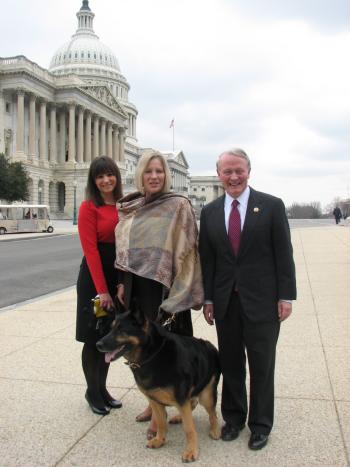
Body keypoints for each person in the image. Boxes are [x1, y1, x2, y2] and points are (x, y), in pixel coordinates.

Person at [199, 148, 296, 451]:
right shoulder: (210, 211)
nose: (233, 176)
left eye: (238, 170)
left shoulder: (271, 206)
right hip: (226, 303)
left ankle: (261, 425)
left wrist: (285, 296)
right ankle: (234, 418)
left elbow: (284, 254)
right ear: (219, 175)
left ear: (249, 171)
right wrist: (209, 299)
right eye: (227, 171)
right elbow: (208, 261)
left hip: (263, 302)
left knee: (262, 365)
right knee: (231, 364)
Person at [115, 150, 203, 439]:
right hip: (134, 287)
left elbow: (188, 247)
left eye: (160, 171)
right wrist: (121, 282)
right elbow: (124, 248)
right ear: (140, 174)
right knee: (139, 348)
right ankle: (153, 404)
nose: (154, 176)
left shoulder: (177, 204)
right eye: (149, 171)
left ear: (166, 176)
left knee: (165, 352)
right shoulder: (132, 205)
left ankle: (163, 411)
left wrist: (181, 290)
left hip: (164, 288)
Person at [76, 155, 123, 416]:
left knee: (109, 337)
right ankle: (92, 392)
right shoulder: (89, 207)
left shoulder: (122, 205)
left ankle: (102, 389)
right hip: (95, 281)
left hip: (116, 277)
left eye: (109, 175)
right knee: (93, 336)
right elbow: (91, 251)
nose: (106, 180)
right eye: (100, 176)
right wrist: (102, 290)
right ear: (94, 181)